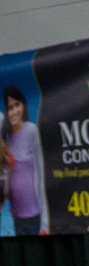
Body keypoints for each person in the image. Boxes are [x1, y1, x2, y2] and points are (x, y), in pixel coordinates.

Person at [2, 86, 49, 236]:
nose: (14, 111)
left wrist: (45, 222)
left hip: (35, 215)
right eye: (10, 108)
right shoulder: (7, 138)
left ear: (23, 106)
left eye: (17, 105)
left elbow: (41, 173)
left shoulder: (31, 130)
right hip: (16, 215)